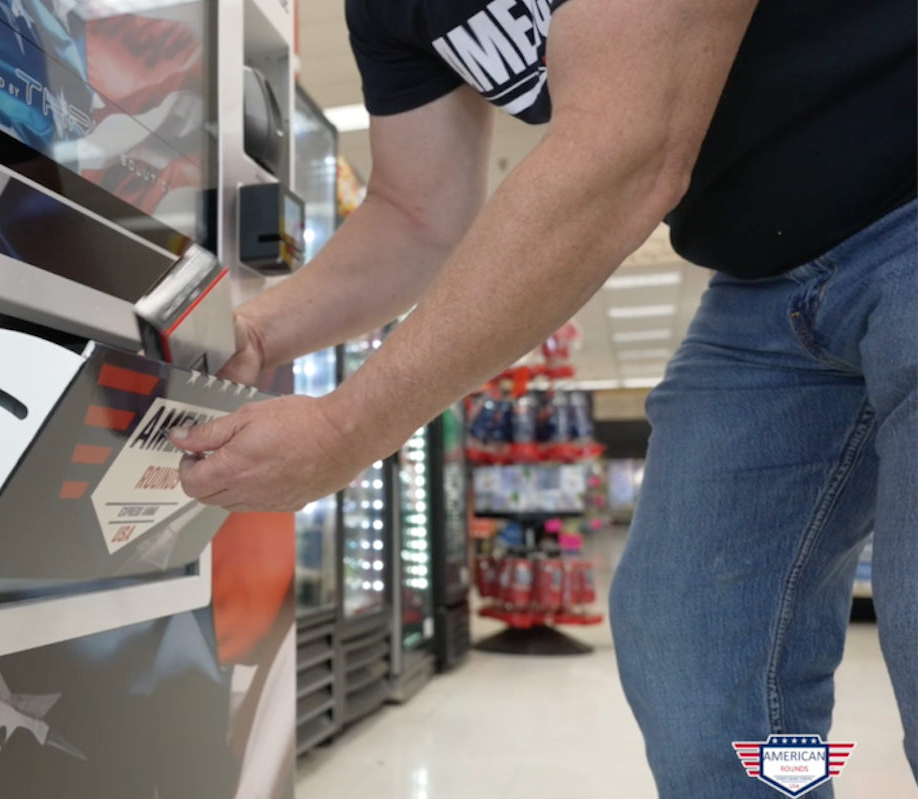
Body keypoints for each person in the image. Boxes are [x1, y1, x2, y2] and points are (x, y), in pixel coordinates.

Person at [168, 0, 916, 794]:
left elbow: (627, 146)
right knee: (696, 654)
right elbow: (417, 216)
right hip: (762, 285)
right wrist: (258, 330)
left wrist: (344, 428)